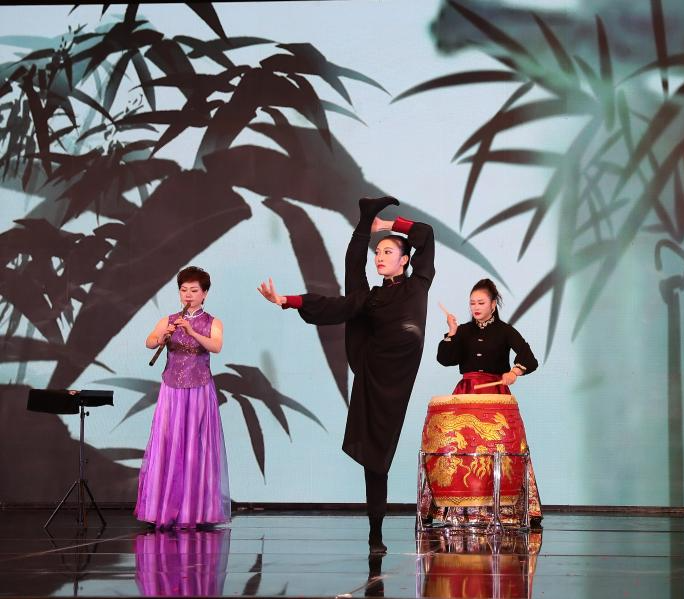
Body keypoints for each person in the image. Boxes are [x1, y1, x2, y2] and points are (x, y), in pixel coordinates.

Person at [257, 196, 433, 554]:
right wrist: (287, 300)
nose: (380, 257)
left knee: (381, 454)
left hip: (397, 380)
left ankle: (368, 216)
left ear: (405, 259)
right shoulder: (371, 300)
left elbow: (426, 234)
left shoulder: (418, 283)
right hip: (372, 373)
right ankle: (375, 533)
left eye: (387, 252)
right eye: (377, 252)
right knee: (374, 459)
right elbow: (331, 306)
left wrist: (387, 225)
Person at [425, 278, 542, 528]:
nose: (476, 307)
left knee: (498, 451)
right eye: (472, 303)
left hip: (495, 396)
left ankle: (506, 508)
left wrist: (515, 372)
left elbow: (529, 358)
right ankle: (457, 509)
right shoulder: (463, 331)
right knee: (461, 450)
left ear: (493, 304)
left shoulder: (505, 331)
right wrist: (452, 333)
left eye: (481, 302)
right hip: (466, 393)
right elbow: (445, 359)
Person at [137, 266, 230, 528]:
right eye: (184, 290)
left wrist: (192, 332)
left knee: (195, 447)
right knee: (169, 444)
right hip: (171, 390)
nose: (188, 294)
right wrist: (161, 337)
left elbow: (216, 346)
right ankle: (164, 508)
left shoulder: (212, 322)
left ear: (205, 294)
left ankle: (194, 511)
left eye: (194, 290)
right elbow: (149, 341)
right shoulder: (169, 319)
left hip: (199, 389)